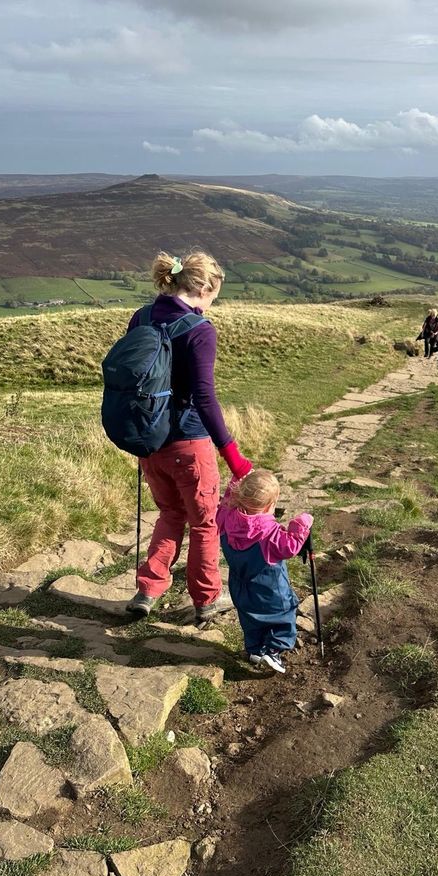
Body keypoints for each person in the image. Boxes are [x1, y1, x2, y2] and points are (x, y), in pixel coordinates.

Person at [125, 250, 253, 622]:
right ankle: (207, 599)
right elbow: (204, 397)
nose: (215, 302)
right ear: (203, 286)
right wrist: (232, 455)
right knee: (205, 522)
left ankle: (148, 589)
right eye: (216, 293)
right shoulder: (200, 330)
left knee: (169, 512)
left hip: (150, 440)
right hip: (188, 442)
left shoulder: (142, 317)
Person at [216, 468, 312, 674]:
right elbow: (291, 546)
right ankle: (274, 649)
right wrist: (302, 523)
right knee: (284, 615)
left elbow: (225, 502)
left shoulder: (225, 519)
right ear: (271, 505)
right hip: (271, 589)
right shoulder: (270, 533)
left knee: (250, 617)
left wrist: (236, 478)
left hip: (240, 585)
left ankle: (255, 650)